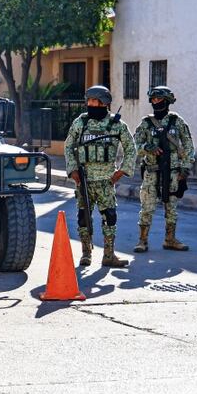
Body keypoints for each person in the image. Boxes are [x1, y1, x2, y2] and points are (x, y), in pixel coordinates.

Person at [64, 85, 135, 268]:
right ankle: (86, 254)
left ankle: (109, 255)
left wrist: (121, 171)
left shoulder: (117, 124)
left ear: (104, 103)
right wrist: (73, 170)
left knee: (109, 217)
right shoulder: (81, 122)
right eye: (88, 101)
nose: (90, 105)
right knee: (83, 217)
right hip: (84, 180)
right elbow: (69, 146)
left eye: (94, 101)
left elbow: (130, 148)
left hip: (106, 181)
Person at [133, 86, 194, 253]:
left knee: (171, 206)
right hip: (152, 171)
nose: (155, 102)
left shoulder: (177, 122)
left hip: (173, 172)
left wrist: (185, 168)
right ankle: (142, 240)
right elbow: (133, 146)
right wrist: (147, 147)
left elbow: (188, 146)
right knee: (147, 206)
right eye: (153, 99)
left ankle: (170, 239)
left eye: (159, 99)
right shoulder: (146, 123)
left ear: (167, 101)